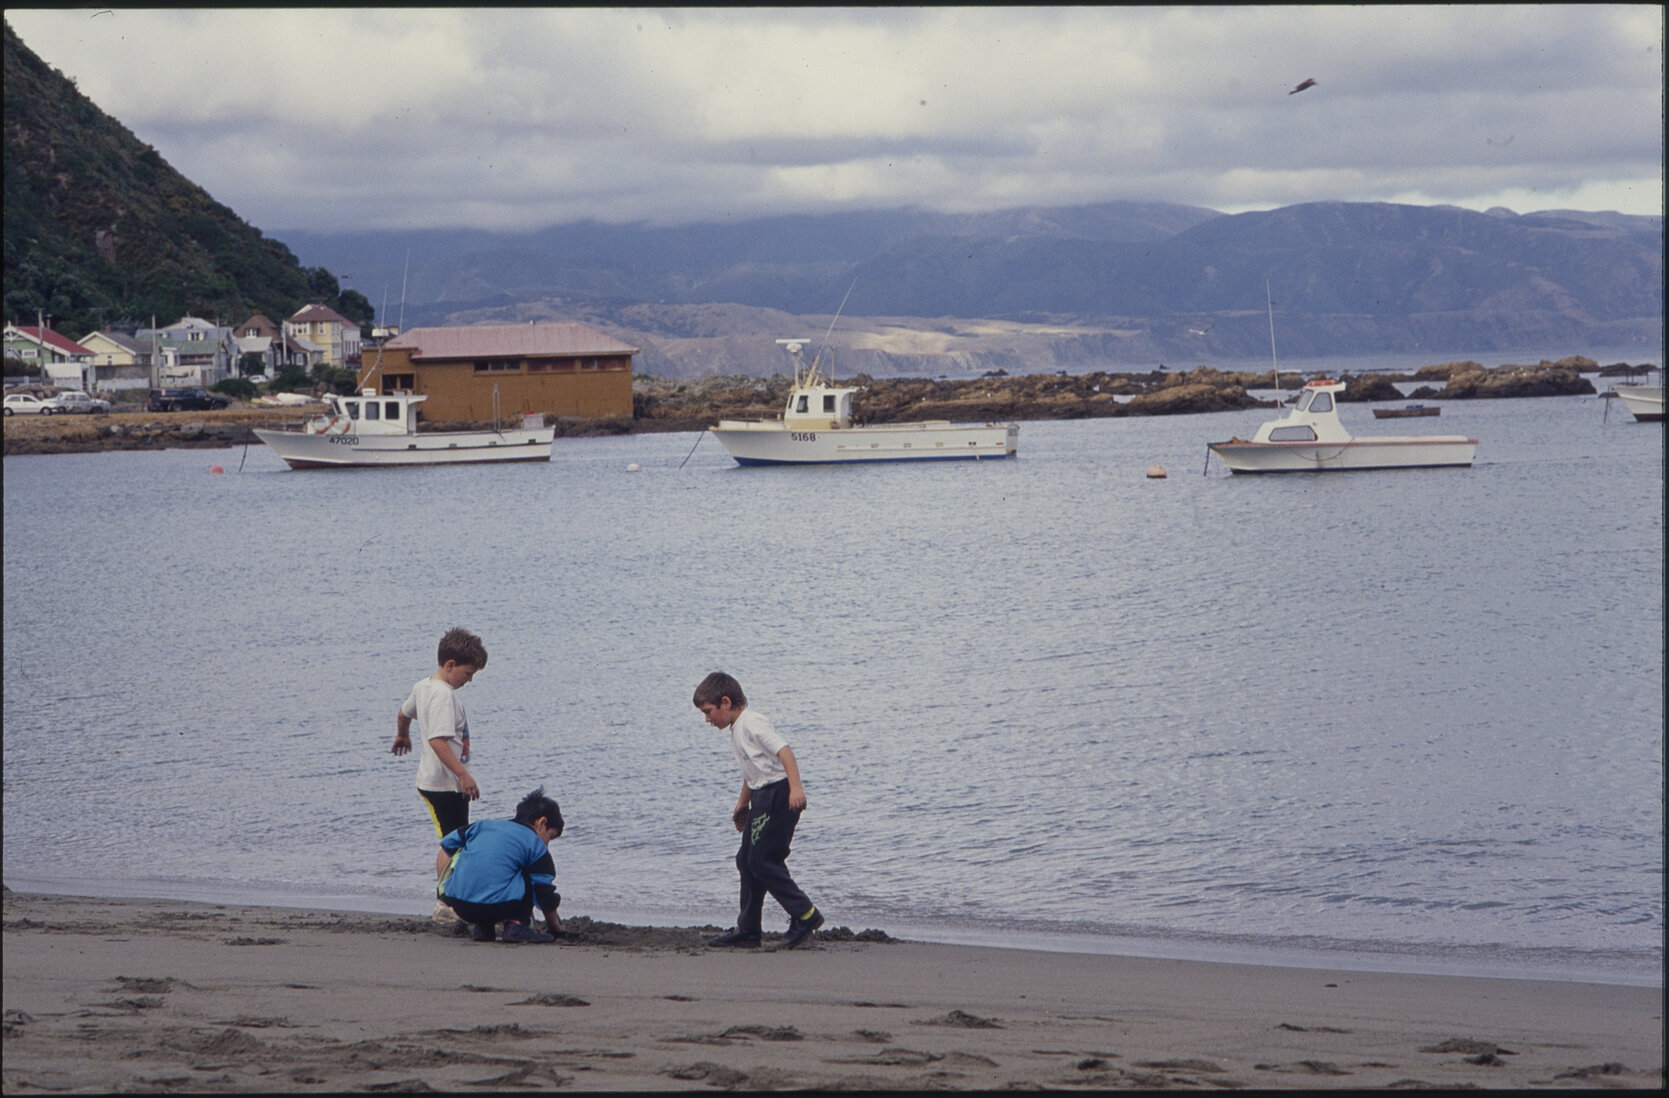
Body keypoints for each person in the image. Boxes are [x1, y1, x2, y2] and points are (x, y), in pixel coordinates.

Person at [693, 671, 824, 949]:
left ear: (725, 702)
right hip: (761, 796)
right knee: (746, 860)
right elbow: (752, 770)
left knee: (763, 860)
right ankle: (749, 930)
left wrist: (796, 788)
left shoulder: (752, 723)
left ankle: (806, 914)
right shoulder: (737, 728)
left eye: (708, 712)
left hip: (779, 795)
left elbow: (784, 751)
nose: (707, 719)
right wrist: (743, 802)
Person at [391, 627, 486, 923]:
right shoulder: (443, 695)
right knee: (453, 842)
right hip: (444, 783)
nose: (469, 681)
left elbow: (404, 712)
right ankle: (445, 903)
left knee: (458, 839)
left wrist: (402, 735)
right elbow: (436, 740)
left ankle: (455, 897)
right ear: (450, 665)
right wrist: (463, 775)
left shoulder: (423, 686)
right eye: (468, 674)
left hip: (439, 780)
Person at [438, 787, 564, 943]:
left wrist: (442, 890)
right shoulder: (535, 845)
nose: (547, 845)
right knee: (528, 872)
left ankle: (483, 928)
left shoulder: (481, 826)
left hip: (460, 906)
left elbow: (446, 847)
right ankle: (516, 926)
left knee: (489, 863)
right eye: (550, 837)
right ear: (542, 823)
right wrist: (555, 927)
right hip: (498, 907)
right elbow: (544, 893)